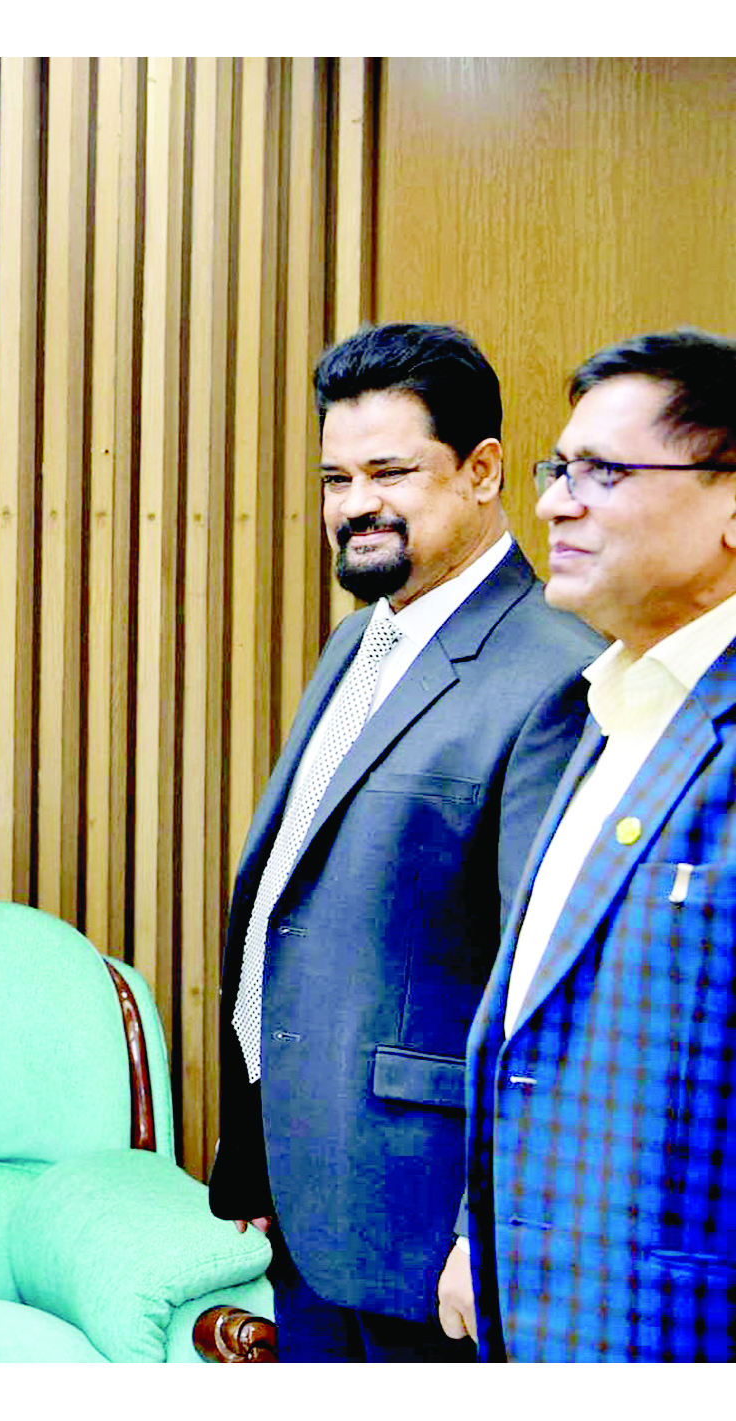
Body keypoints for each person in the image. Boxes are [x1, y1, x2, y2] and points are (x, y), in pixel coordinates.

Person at [207, 322, 601, 1361]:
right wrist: (262, 1152)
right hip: (315, 1193)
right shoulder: (359, 639)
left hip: (430, 1232)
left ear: (483, 472)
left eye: (390, 472)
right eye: (334, 478)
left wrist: (488, 1226)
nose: (354, 504)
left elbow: (545, 991)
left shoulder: (553, 671)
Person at [442, 328, 736, 1361]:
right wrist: (482, 1228)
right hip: (543, 1308)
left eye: (603, 473)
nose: (554, 504)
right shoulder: (607, 706)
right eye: (557, 469)